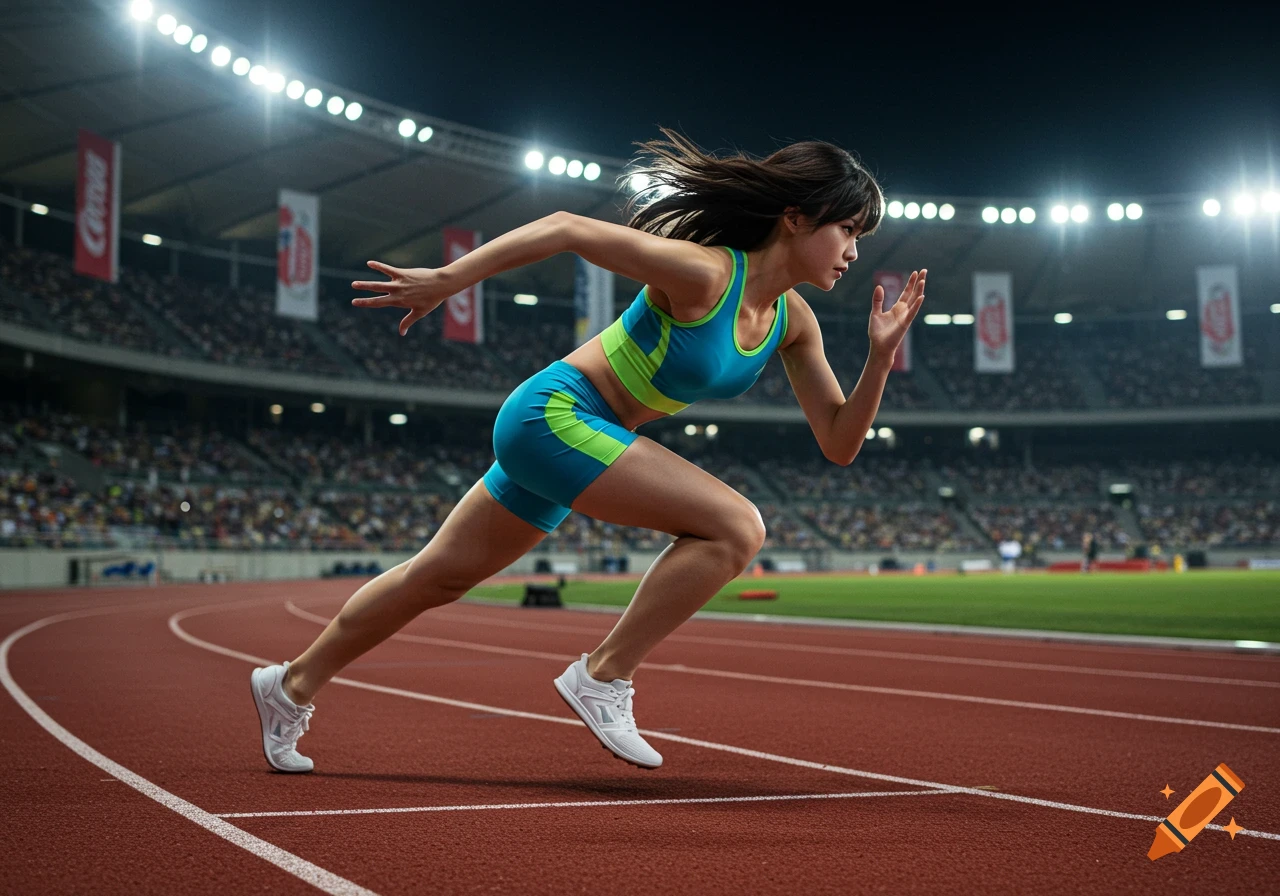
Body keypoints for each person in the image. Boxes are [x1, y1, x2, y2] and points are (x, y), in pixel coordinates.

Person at [250, 128, 925, 772]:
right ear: (796, 218)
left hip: (584, 436)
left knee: (437, 577)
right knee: (736, 527)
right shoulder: (705, 274)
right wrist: (447, 281)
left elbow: (840, 442)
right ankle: (604, 674)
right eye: (849, 229)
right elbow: (566, 228)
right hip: (555, 415)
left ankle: (291, 686)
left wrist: (879, 359)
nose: (855, 251)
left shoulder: (792, 323)